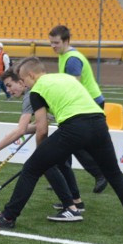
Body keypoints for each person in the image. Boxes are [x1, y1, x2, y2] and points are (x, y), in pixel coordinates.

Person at [0, 57, 123, 235]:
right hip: (99, 123)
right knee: (115, 176)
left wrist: (41, 154)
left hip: (74, 127)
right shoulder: (66, 78)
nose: (24, 84)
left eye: (24, 80)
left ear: (31, 75)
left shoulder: (37, 89)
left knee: (32, 168)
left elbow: (41, 130)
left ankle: (8, 217)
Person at [0, 68, 86, 222]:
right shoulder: (37, 89)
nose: (8, 90)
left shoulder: (31, 95)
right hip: (86, 124)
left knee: (38, 166)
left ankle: (8, 217)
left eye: (10, 85)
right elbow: (36, 125)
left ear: (22, 82)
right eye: (6, 87)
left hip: (74, 127)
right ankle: (75, 204)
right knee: (59, 164)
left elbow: (21, 129)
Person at [48, 24, 108, 193]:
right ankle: (63, 177)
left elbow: (73, 87)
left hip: (90, 104)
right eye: (51, 43)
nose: (53, 46)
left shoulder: (72, 59)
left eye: (56, 43)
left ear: (66, 41)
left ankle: (99, 174)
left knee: (74, 143)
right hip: (83, 104)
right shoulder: (64, 55)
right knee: (67, 142)